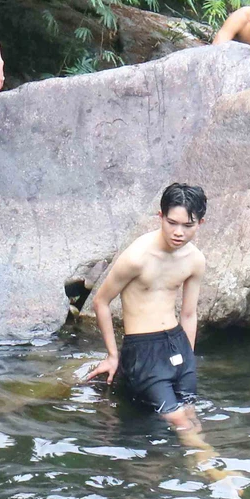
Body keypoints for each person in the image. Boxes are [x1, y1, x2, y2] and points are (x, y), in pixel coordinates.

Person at [85, 183, 208, 437]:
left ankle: (205, 466)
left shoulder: (195, 260)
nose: (178, 233)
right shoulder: (137, 257)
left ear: (200, 224)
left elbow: (188, 314)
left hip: (177, 342)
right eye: (172, 223)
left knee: (190, 411)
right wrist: (112, 356)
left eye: (188, 226)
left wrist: (189, 359)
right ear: (160, 217)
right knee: (179, 420)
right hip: (143, 347)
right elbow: (101, 301)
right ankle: (213, 469)